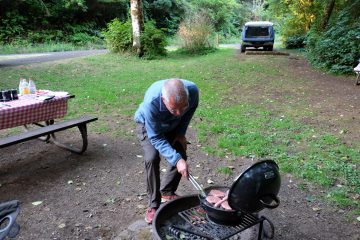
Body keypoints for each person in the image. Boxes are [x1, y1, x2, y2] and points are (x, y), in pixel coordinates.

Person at [134, 78, 199, 224]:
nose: (178, 113)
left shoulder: (193, 91)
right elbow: (156, 138)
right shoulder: (151, 103)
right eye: (173, 109)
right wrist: (177, 161)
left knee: (181, 153)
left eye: (182, 107)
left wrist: (181, 133)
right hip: (148, 125)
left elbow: (188, 112)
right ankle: (153, 204)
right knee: (152, 158)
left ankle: (167, 192)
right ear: (163, 100)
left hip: (171, 126)